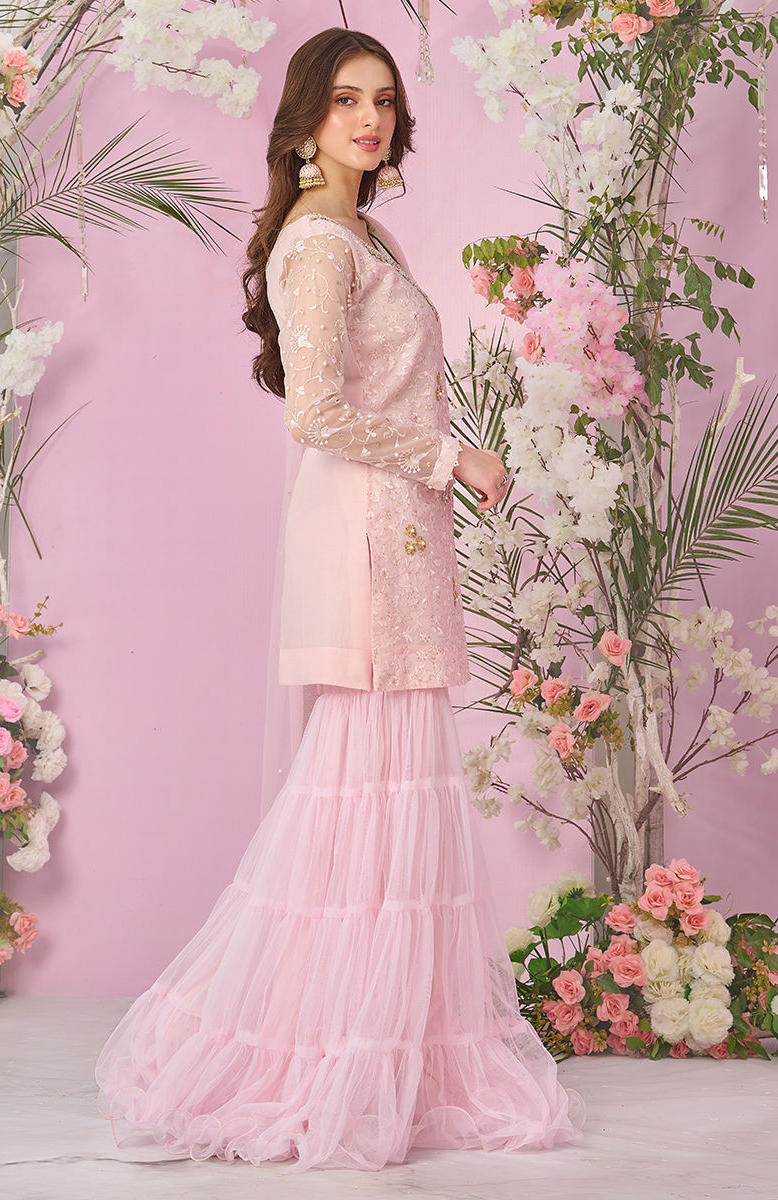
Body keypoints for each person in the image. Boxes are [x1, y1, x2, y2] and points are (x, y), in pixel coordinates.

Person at [94, 27, 586, 1173]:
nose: (368, 119)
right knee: (358, 791)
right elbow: (313, 412)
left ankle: (387, 1056)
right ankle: (314, 1061)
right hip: (366, 536)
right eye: (345, 100)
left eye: (383, 100)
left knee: (389, 790)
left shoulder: (367, 233)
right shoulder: (319, 242)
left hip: (396, 534)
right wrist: (451, 456)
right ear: (306, 119)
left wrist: (434, 472)